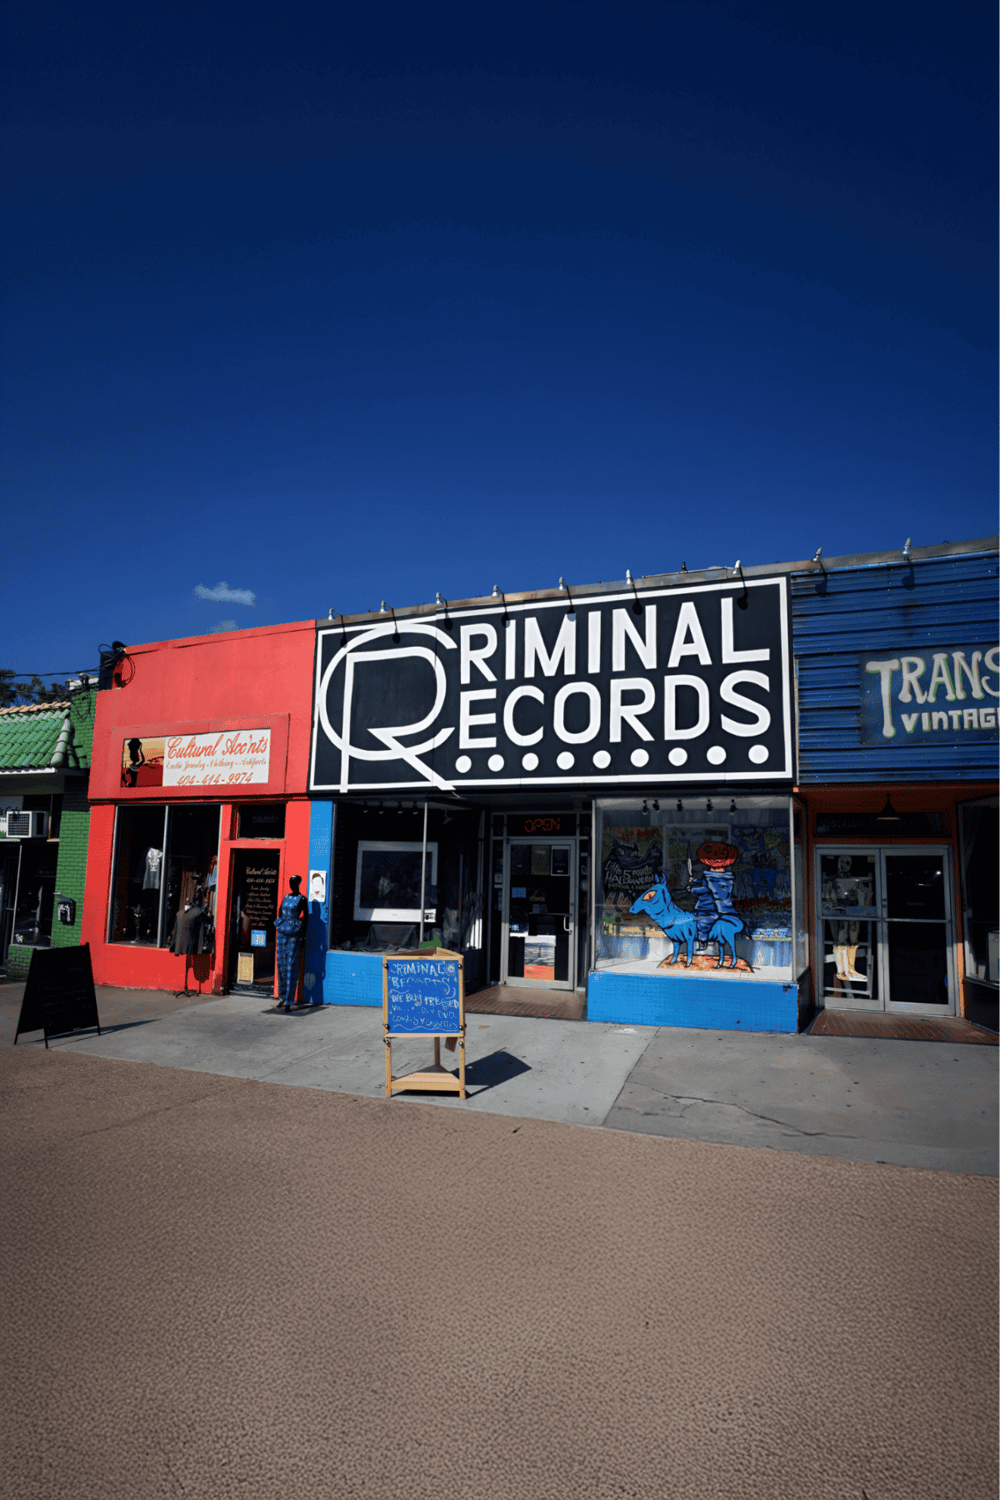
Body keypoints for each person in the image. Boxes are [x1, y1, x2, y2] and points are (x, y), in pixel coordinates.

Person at [274, 875, 308, 1010]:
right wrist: (279, 923)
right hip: (282, 933)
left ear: (299, 884)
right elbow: (280, 911)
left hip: (294, 935)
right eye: (290, 882)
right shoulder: (286, 897)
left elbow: (306, 918)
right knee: (281, 964)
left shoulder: (302, 899)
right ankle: (282, 996)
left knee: (291, 966)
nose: (291, 885)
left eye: (294, 882)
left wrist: (303, 936)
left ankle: (289, 999)